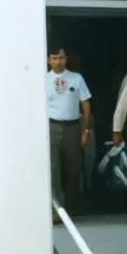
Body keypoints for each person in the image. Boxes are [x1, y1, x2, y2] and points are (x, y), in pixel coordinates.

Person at [46, 44, 93, 220]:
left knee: (73, 169)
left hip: (73, 127)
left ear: (66, 59)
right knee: (53, 169)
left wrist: (86, 130)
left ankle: (71, 207)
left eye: (61, 58)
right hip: (51, 127)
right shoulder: (43, 79)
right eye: (55, 58)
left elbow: (85, 105)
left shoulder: (76, 78)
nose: (59, 61)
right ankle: (57, 210)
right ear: (48, 60)